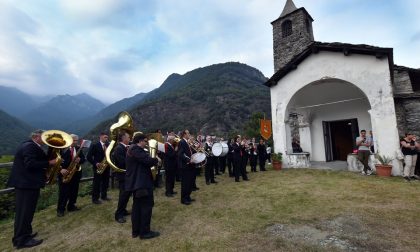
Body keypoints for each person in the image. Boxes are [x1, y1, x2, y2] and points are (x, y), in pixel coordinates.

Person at [7, 129, 57, 249]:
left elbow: (37, 161)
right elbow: (30, 164)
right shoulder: (29, 146)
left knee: (28, 211)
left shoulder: (34, 146)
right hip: (26, 185)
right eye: (43, 137)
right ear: (36, 136)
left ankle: (26, 234)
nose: (46, 139)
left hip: (29, 184)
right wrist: (49, 163)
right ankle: (21, 240)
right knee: (24, 212)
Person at [125, 133, 160, 239]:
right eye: (145, 141)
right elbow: (148, 160)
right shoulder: (135, 149)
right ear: (139, 141)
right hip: (141, 183)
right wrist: (156, 159)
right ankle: (144, 232)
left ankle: (136, 231)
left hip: (138, 183)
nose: (146, 143)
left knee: (137, 207)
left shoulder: (134, 149)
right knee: (146, 207)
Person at [57, 134, 86, 217]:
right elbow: (55, 161)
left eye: (76, 140)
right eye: (74, 140)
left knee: (74, 191)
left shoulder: (78, 148)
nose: (75, 142)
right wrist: (60, 169)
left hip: (75, 174)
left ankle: (71, 206)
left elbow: (84, 159)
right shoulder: (61, 149)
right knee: (63, 193)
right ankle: (60, 210)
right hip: (64, 174)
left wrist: (80, 160)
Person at [113, 131, 132, 223]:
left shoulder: (124, 147)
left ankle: (123, 210)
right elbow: (122, 162)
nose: (129, 139)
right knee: (123, 195)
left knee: (127, 194)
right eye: (128, 137)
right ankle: (118, 215)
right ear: (123, 139)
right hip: (122, 175)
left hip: (127, 175)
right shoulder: (119, 148)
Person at [87, 132, 110, 204]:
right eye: (105, 137)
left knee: (105, 182)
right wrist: (95, 163)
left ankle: (104, 196)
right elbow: (88, 157)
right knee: (97, 183)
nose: (106, 139)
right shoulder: (95, 145)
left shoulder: (108, 145)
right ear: (100, 137)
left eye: (107, 137)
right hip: (98, 167)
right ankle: (95, 199)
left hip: (106, 166)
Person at [178, 130, 195, 205]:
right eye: (188, 133)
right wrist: (188, 159)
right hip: (185, 166)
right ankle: (184, 199)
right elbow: (181, 154)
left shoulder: (187, 142)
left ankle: (188, 196)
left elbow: (190, 152)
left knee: (190, 182)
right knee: (185, 183)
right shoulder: (182, 142)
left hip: (190, 165)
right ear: (184, 134)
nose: (189, 134)